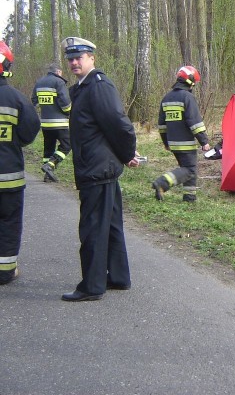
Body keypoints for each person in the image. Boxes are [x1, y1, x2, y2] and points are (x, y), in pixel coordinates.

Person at [61, 36, 140, 302]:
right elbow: (104, 129)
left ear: (92, 58)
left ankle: (91, 286)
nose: (73, 62)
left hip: (96, 170)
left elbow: (119, 125)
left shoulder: (98, 86)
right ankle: (118, 277)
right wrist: (124, 155)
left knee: (93, 228)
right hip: (100, 167)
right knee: (111, 225)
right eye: (70, 58)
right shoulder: (84, 87)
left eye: (79, 57)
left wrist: (127, 153)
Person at [0, 40, 41, 285]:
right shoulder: (16, 99)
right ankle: (5, 271)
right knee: (9, 222)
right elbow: (29, 132)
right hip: (9, 178)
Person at [152, 66, 210, 202]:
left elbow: (161, 124)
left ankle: (189, 198)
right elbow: (194, 121)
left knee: (187, 169)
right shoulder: (187, 97)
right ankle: (162, 182)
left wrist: (166, 142)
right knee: (190, 170)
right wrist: (204, 141)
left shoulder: (167, 98)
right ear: (190, 82)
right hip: (186, 143)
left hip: (173, 142)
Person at [31, 62, 72, 182]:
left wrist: (44, 109)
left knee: (48, 148)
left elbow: (34, 101)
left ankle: (47, 175)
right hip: (60, 123)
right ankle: (50, 165)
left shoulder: (39, 82)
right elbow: (65, 103)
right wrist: (68, 112)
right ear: (58, 72)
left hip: (45, 123)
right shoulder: (59, 82)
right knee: (67, 145)